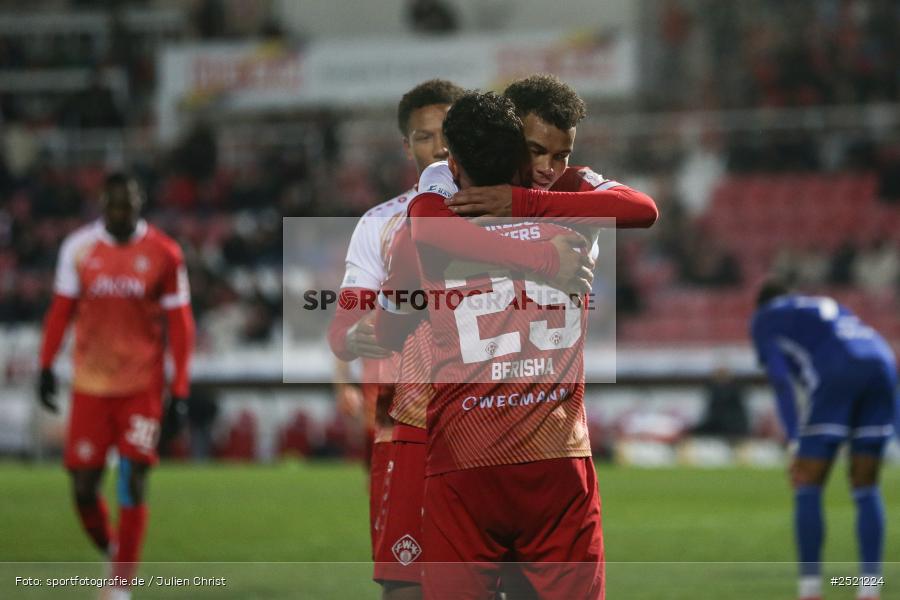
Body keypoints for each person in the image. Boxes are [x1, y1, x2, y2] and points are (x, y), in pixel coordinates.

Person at [326, 79, 464, 598]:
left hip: (488, 415)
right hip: (403, 421)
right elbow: (344, 327)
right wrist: (359, 334)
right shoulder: (379, 224)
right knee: (403, 585)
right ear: (407, 147)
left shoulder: (505, 212)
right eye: (425, 137)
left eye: (450, 133)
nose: (441, 148)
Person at [37, 172, 195, 600]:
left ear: (140, 203)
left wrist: (178, 389)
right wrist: (45, 365)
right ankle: (115, 550)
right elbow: (61, 311)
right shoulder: (79, 249)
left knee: (133, 476)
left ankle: (120, 586)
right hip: (89, 386)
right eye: (112, 205)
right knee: (84, 487)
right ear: (102, 206)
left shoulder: (165, 253)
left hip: (140, 388)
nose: (120, 213)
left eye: (127, 205)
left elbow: (180, 325)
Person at [751, 278, 897, 600]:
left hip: (837, 371)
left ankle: (811, 589)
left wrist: (793, 441)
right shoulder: (819, 306)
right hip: (883, 362)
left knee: (808, 482)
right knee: (865, 484)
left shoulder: (764, 319)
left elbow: (780, 379)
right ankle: (869, 589)